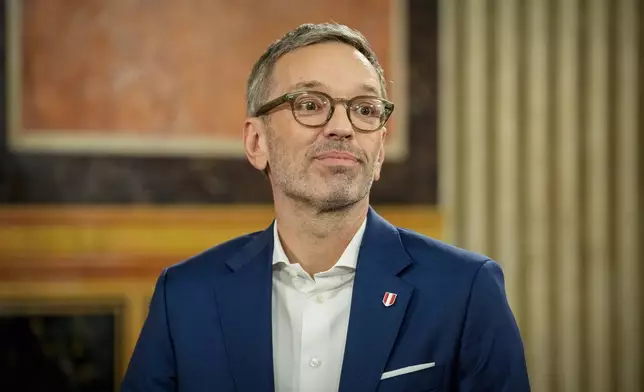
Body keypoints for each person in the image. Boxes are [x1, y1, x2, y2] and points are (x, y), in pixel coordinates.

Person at [121, 23, 530, 392]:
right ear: (256, 142)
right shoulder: (186, 296)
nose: (341, 126)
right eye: (311, 105)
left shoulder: (465, 290)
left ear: (381, 149)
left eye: (365, 109)